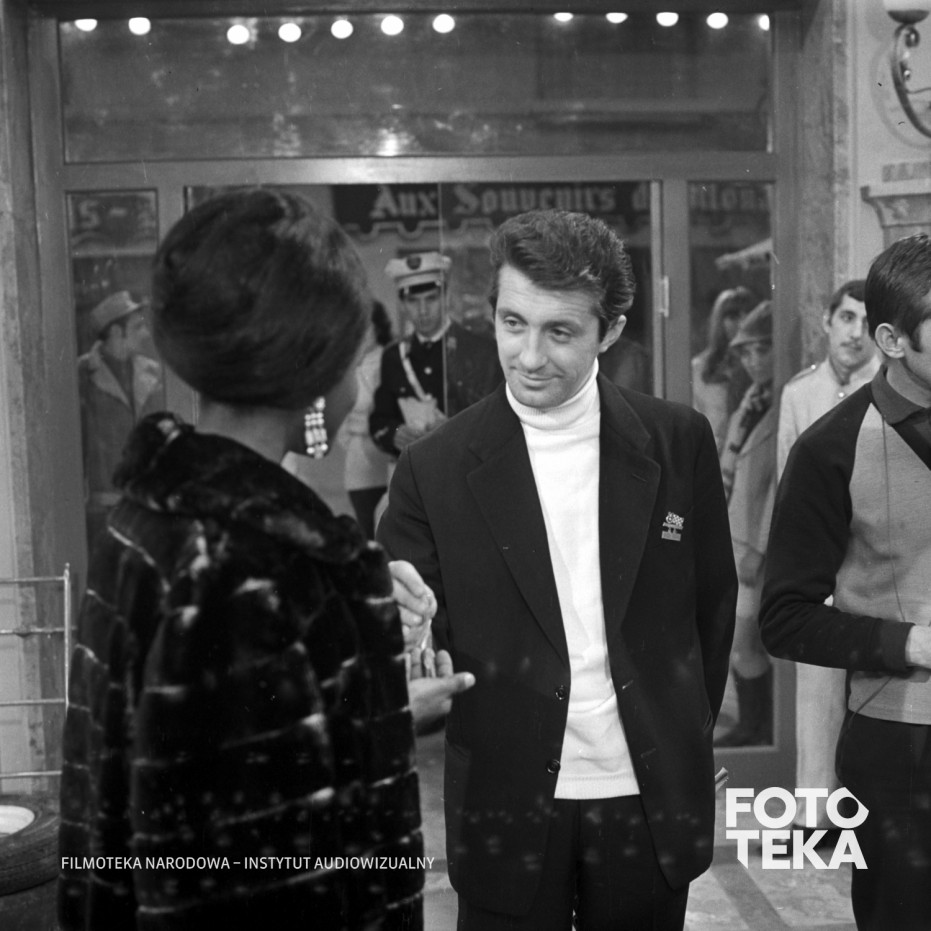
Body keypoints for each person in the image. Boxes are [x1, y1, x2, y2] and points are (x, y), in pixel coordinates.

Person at [58, 189, 473, 931]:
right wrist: (380, 706)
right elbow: (251, 863)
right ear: (316, 375)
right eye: (349, 357)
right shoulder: (266, 568)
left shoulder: (149, 517)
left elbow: (187, 771)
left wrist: (360, 666)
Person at [378, 209, 737, 930]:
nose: (530, 356)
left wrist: (684, 733)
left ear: (610, 330)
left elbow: (711, 609)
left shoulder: (677, 440)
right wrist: (400, 629)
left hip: (644, 794)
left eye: (560, 331)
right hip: (505, 799)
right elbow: (408, 625)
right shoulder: (432, 468)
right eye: (513, 323)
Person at [761, 233, 931, 931]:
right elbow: (785, 617)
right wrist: (909, 643)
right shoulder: (829, 447)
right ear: (892, 340)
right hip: (898, 747)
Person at [775, 278, 879, 836]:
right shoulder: (800, 393)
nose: (854, 333)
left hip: (875, 568)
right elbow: (787, 490)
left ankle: (867, 812)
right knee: (816, 694)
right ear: (827, 322)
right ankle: (815, 815)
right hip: (819, 571)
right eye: (846, 318)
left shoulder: (890, 393)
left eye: (865, 321)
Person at [714, 301, 777, 747]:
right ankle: (753, 726)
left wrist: (759, 546)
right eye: (746, 352)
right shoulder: (752, 400)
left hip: (755, 543)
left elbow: (779, 484)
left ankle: (759, 729)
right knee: (736, 639)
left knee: (744, 639)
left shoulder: (781, 403)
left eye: (762, 350)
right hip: (733, 535)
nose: (754, 361)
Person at [369, 250, 501, 457]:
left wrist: (455, 430)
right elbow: (380, 419)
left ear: (445, 297)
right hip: (417, 467)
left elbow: (496, 417)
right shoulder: (394, 356)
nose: (422, 310)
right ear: (402, 305)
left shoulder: (480, 349)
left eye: (431, 299)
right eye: (413, 301)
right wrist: (396, 433)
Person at [76, 290, 163, 545]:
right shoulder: (82, 374)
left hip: (146, 504)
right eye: (137, 327)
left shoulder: (153, 371)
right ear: (116, 332)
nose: (145, 334)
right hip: (104, 508)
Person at [338, 300, 395, 538]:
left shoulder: (393, 358)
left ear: (378, 327)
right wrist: (354, 440)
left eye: (368, 326)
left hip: (392, 457)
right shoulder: (348, 366)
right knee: (368, 530)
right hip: (360, 462)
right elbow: (342, 421)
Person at [690, 287, 758, 453]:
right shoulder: (699, 367)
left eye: (747, 315)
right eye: (733, 317)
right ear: (720, 321)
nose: (741, 323)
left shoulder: (758, 364)